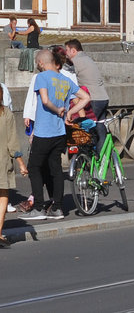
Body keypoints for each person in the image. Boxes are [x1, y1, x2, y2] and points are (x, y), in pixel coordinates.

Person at [22, 48, 89, 221]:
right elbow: (85, 97)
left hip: (44, 132)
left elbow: (44, 101)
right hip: (59, 132)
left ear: (41, 63)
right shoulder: (65, 80)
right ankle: (57, 208)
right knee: (56, 169)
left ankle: (38, 207)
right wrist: (69, 112)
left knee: (34, 168)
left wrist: (58, 109)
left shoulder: (41, 77)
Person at [0, 97, 28, 247]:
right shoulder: (7, 114)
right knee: (3, 196)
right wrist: (22, 164)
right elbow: (13, 143)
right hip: (2, 161)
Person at [64, 39, 109, 122]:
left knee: (89, 127)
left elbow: (66, 75)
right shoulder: (87, 58)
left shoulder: (76, 61)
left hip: (93, 99)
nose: (65, 53)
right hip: (103, 97)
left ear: (73, 51)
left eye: (66, 50)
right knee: (100, 125)